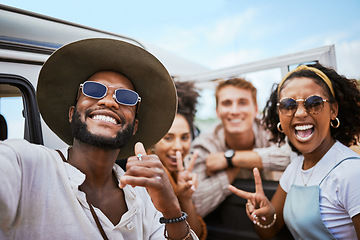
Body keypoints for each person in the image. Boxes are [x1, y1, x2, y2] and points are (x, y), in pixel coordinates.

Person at [0, 38, 198, 240]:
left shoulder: (142, 195)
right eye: (93, 90)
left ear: (134, 126)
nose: (109, 101)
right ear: (71, 113)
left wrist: (172, 208)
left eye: (126, 97)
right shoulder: (27, 166)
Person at [229, 63, 360, 239]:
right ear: (279, 116)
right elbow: (268, 231)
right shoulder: (295, 168)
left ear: (333, 110)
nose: (299, 113)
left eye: (314, 103)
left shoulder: (352, 173)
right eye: (288, 105)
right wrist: (264, 215)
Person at [191, 77, 294, 217]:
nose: (234, 110)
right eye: (227, 103)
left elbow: (295, 156)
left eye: (242, 102)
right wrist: (233, 170)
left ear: (256, 109)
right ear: (217, 111)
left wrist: (230, 159)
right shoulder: (205, 143)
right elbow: (195, 204)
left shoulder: (273, 130)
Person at [149, 81, 207, 240]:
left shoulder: (179, 174)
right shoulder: (148, 173)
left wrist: (185, 197)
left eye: (185, 137)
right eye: (168, 138)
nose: (178, 147)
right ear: (153, 139)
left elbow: (196, 235)